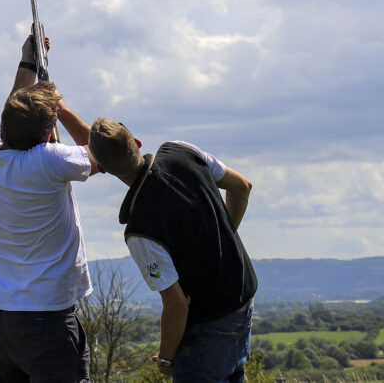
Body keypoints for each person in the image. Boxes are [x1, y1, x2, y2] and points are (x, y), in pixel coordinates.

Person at [88, 118, 258, 383]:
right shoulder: (182, 150)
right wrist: (222, 237)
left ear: (103, 168)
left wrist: (166, 359)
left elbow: (176, 305)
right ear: (136, 143)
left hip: (207, 320)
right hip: (243, 300)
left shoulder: (140, 231)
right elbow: (242, 187)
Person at [0, 35, 101, 383]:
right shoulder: (48, 161)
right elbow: (101, 152)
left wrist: (28, 64)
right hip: (48, 321)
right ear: (48, 134)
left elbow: (10, 114)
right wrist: (57, 105)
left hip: (3, 320)